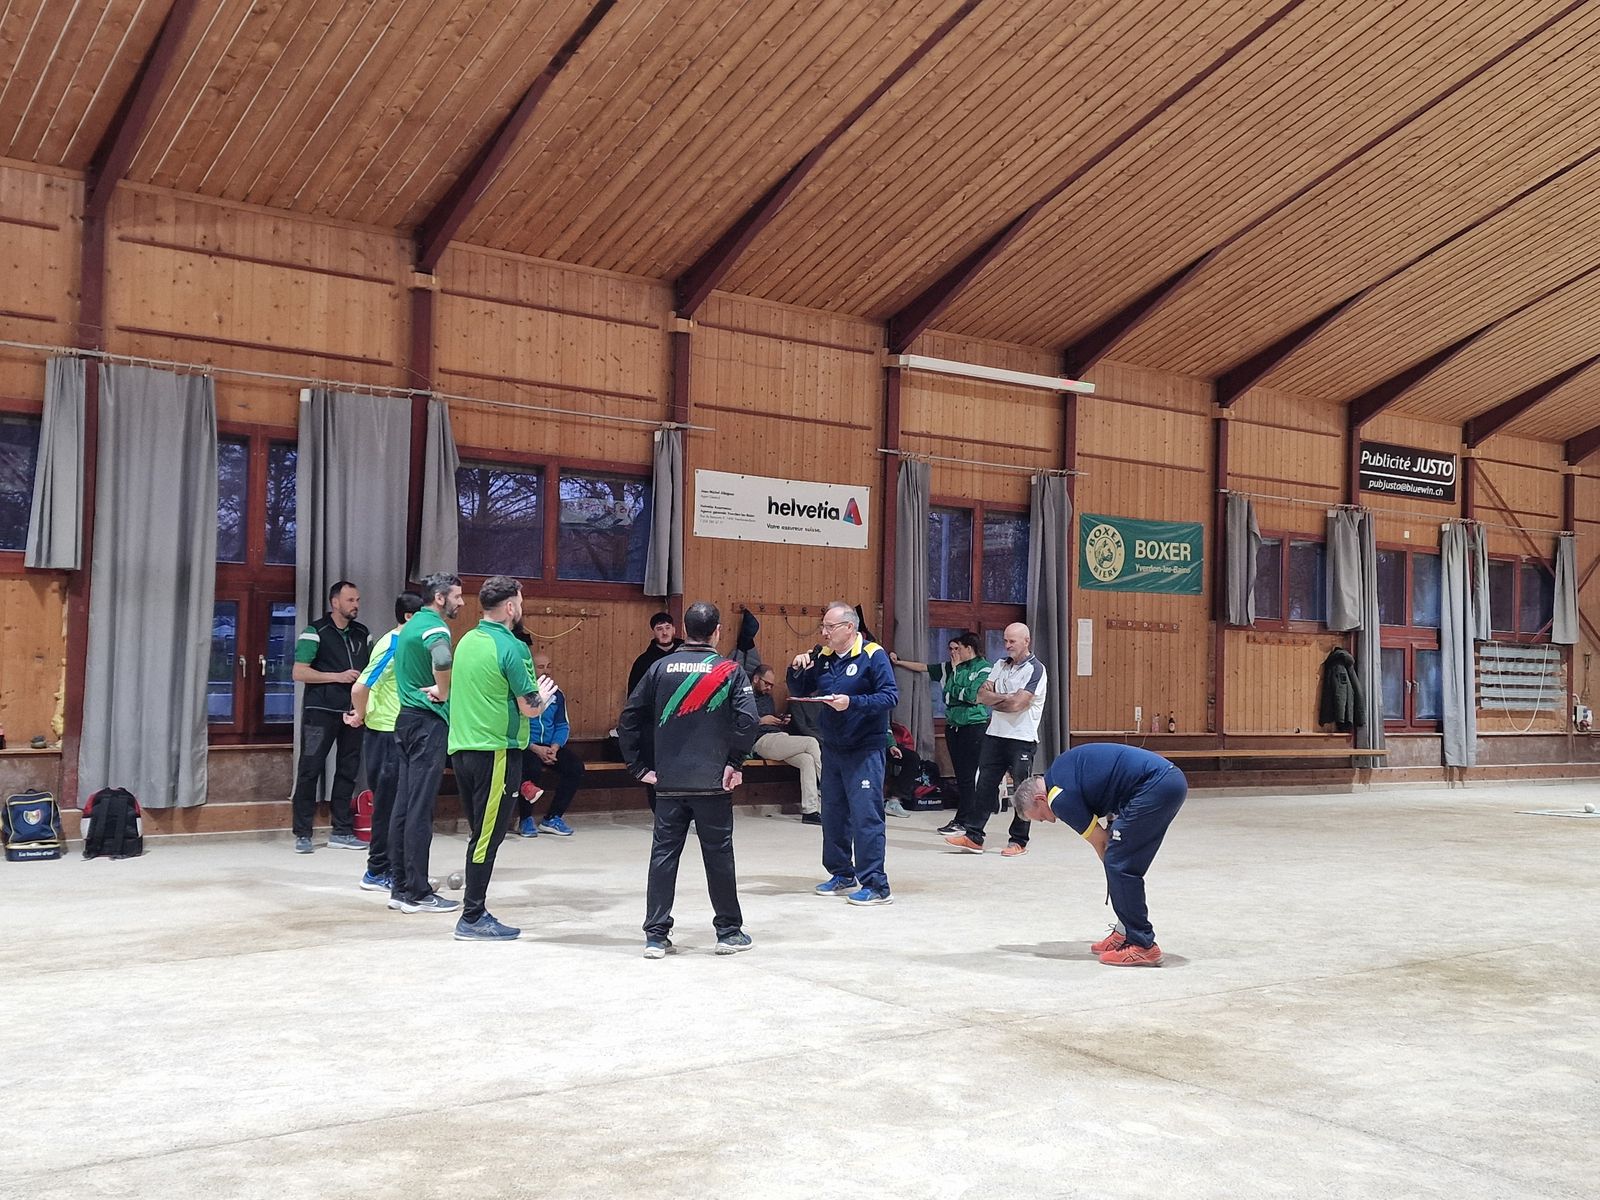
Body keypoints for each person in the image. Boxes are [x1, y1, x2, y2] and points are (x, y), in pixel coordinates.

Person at [618, 600, 759, 959]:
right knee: (719, 855)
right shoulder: (729, 670)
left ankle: (655, 936)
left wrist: (638, 768)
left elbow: (629, 718)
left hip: (667, 784)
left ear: (683, 629)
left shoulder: (659, 668)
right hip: (713, 782)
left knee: (663, 855)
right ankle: (728, 933)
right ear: (717, 632)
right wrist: (735, 763)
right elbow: (748, 722)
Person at [447, 576, 558, 942]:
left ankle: (473, 912)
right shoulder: (512, 647)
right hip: (495, 752)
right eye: (520, 601)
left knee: (479, 832)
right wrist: (542, 697)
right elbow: (529, 707)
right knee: (488, 837)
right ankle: (472, 916)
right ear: (510, 607)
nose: (521, 607)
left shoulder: (466, 641)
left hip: (462, 749)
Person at [1012, 745, 1188, 966]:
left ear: (1040, 798)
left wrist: (1116, 868)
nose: (1050, 820)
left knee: (1119, 863)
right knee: (1118, 860)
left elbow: (1101, 842)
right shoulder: (1057, 772)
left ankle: (1142, 945)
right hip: (1160, 781)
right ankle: (1125, 932)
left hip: (1155, 785)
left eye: (1041, 817)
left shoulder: (1058, 797)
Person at [787, 601, 899, 905]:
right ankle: (842, 874)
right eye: (823, 627)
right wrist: (796, 668)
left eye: (830, 627)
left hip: (865, 749)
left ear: (850, 627)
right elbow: (800, 689)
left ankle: (876, 885)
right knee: (833, 815)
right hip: (833, 747)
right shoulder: (823, 657)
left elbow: (890, 696)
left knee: (865, 816)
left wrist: (853, 703)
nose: (824, 632)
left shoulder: (873, 655)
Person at [388, 572, 464, 915]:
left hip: (405, 720)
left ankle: (400, 887)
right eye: (457, 596)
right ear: (440, 598)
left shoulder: (410, 626)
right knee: (420, 810)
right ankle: (417, 892)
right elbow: (443, 659)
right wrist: (443, 691)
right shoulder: (435, 627)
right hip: (427, 725)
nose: (461, 602)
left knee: (404, 807)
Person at [343, 591, 424, 891]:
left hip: (402, 731)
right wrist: (360, 714)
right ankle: (376, 870)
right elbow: (360, 686)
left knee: (400, 806)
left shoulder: (412, 644)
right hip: (385, 733)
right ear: (409, 617)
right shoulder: (392, 643)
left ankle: (395, 868)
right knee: (388, 806)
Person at [945, 622, 1045, 857]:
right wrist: (1006, 697)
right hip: (994, 735)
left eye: (1012, 641)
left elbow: (1018, 704)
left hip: (1021, 738)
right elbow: (980, 695)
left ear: (1026, 641)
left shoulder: (1036, 669)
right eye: (1005, 640)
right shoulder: (999, 665)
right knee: (984, 786)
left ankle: (1018, 840)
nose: (1007, 645)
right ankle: (973, 836)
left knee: (1021, 791)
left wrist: (998, 698)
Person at [289, 581, 370, 854]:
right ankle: (302, 833)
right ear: (335, 603)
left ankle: (342, 831)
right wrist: (337, 676)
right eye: (350, 600)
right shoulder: (315, 632)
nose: (356, 605)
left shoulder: (363, 634)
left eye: (357, 600)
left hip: (354, 712)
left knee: (348, 770)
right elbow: (299, 672)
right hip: (320, 712)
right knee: (310, 769)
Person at [891, 631, 991, 836]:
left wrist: (957, 687)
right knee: (961, 775)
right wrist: (899, 662)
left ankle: (965, 820)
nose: (954, 653)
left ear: (968, 649)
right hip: (953, 724)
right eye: (951, 649)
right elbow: (943, 688)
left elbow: (972, 695)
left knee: (969, 776)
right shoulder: (949, 667)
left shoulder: (984, 667)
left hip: (974, 725)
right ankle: (963, 819)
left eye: (958, 649)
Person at [513, 647, 587, 837]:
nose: (546, 671)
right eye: (540, 667)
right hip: (526, 746)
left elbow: (562, 725)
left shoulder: (557, 694)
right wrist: (535, 748)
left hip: (549, 746)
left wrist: (554, 747)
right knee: (532, 768)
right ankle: (525, 819)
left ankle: (553, 818)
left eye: (549, 666)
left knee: (575, 767)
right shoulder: (519, 693)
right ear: (530, 669)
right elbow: (514, 726)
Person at [749, 664, 822, 826]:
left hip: (777, 737)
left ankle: (810, 811)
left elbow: (771, 720)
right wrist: (760, 721)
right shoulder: (744, 696)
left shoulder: (767, 698)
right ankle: (829, 789)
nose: (769, 688)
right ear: (756, 679)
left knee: (807, 760)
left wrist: (781, 720)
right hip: (760, 741)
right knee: (811, 742)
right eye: (766, 683)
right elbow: (735, 722)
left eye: (771, 685)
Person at [627, 611, 683, 694]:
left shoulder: (686, 655)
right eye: (659, 629)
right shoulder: (643, 662)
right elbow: (634, 694)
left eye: (667, 628)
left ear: (674, 630)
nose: (664, 633)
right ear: (653, 632)